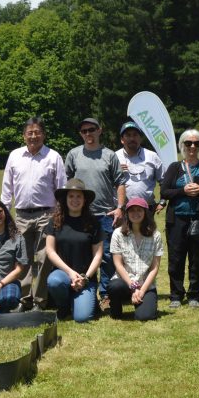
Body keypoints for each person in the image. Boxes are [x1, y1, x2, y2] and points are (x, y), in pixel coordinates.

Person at [0, 116, 66, 311]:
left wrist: (59, 214)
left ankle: (40, 300)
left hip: (47, 214)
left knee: (45, 258)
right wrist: (5, 214)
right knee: (22, 259)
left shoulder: (53, 157)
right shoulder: (15, 156)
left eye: (37, 132)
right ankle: (24, 299)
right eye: (30, 133)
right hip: (21, 216)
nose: (33, 136)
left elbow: (61, 188)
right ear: (24, 136)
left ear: (43, 135)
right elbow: (7, 187)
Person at [65, 116, 124, 311]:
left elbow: (120, 182)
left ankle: (105, 295)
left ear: (99, 130)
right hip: (80, 215)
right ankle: (85, 291)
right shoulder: (73, 154)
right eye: (84, 131)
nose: (88, 134)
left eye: (91, 129)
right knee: (84, 256)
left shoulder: (109, 155)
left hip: (106, 214)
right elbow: (67, 182)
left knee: (106, 256)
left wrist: (120, 207)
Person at [160, 129, 199, 308]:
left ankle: (194, 295)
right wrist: (183, 191)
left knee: (198, 259)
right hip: (177, 220)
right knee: (176, 259)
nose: (192, 147)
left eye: (197, 143)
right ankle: (176, 295)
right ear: (182, 145)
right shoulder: (174, 167)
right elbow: (164, 191)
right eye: (188, 143)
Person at [43, 179, 104, 322]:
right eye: (71, 196)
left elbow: (98, 255)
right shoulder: (55, 221)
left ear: (84, 200)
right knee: (54, 282)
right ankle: (64, 307)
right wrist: (70, 273)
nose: (75, 200)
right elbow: (50, 251)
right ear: (65, 199)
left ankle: (86, 300)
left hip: (85, 278)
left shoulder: (93, 223)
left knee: (82, 318)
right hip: (62, 275)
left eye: (78, 196)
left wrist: (85, 278)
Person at [108, 197, 163, 322]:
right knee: (114, 286)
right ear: (127, 214)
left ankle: (141, 301)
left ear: (145, 213)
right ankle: (116, 310)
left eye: (139, 210)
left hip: (145, 284)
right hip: (124, 281)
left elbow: (154, 268)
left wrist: (141, 291)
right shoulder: (118, 234)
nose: (135, 213)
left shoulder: (156, 235)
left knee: (144, 316)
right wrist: (133, 287)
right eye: (132, 210)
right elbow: (118, 264)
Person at [115, 120, 167, 213]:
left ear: (140, 138)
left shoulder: (152, 156)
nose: (132, 138)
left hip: (147, 208)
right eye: (128, 135)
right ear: (122, 139)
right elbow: (106, 182)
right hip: (122, 209)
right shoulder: (114, 157)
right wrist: (116, 173)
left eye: (135, 135)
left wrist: (162, 201)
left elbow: (164, 181)